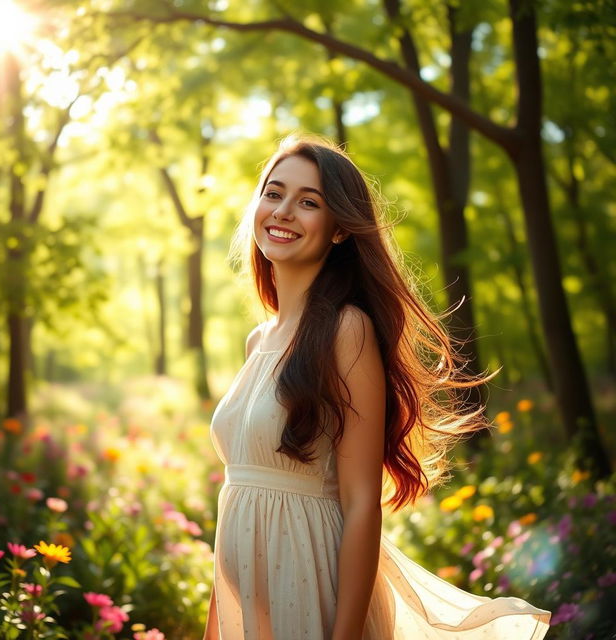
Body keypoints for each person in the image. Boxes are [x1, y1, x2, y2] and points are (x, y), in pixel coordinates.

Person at [203, 136, 551, 639]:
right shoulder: (258, 339)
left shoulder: (347, 331)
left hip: (311, 586)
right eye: (273, 193)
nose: (283, 212)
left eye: (308, 202)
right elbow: (237, 500)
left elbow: (361, 502)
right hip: (250, 602)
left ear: (340, 228)